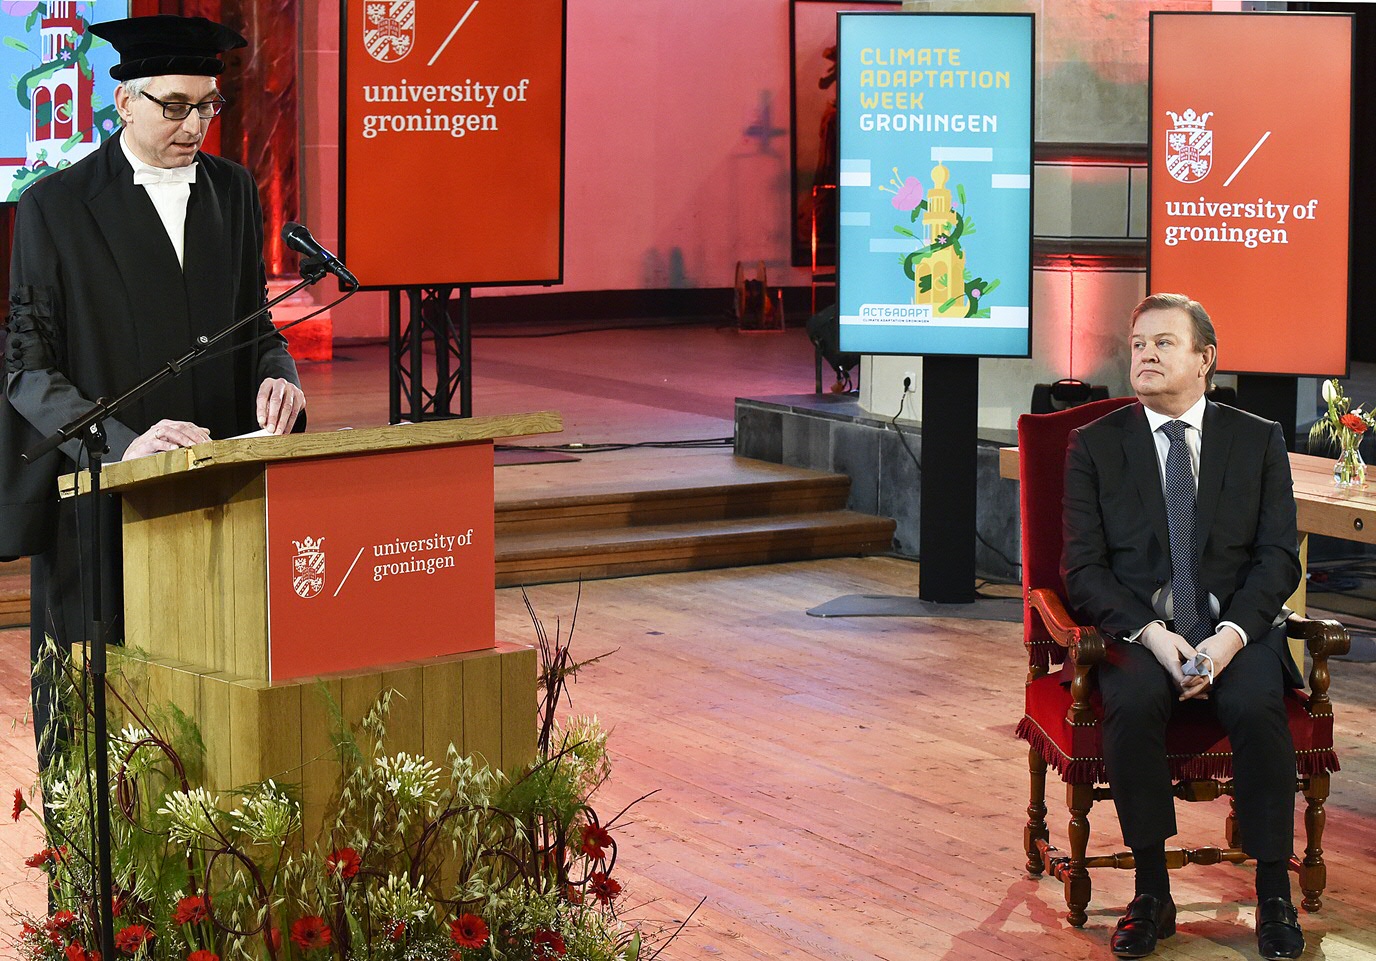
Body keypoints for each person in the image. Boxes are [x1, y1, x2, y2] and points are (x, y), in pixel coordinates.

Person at [0, 14, 306, 771]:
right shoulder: (55, 207)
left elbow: (258, 325)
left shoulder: (233, 193)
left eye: (207, 106)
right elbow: (26, 368)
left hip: (217, 501)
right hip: (103, 506)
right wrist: (121, 441)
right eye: (175, 106)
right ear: (125, 103)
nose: (194, 125)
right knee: (100, 732)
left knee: (212, 715)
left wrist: (279, 376)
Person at [1062, 293, 1305, 961]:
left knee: (1259, 704)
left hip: (1236, 630)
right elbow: (1081, 568)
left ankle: (1273, 893)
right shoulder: (1096, 445)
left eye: (1164, 343)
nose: (1145, 353)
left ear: (1205, 359)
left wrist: (1227, 640)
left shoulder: (1257, 438)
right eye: (1138, 343)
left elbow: (1277, 556)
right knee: (1134, 699)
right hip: (1142, 633)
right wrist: (1151, 632)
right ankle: (1150, 891)